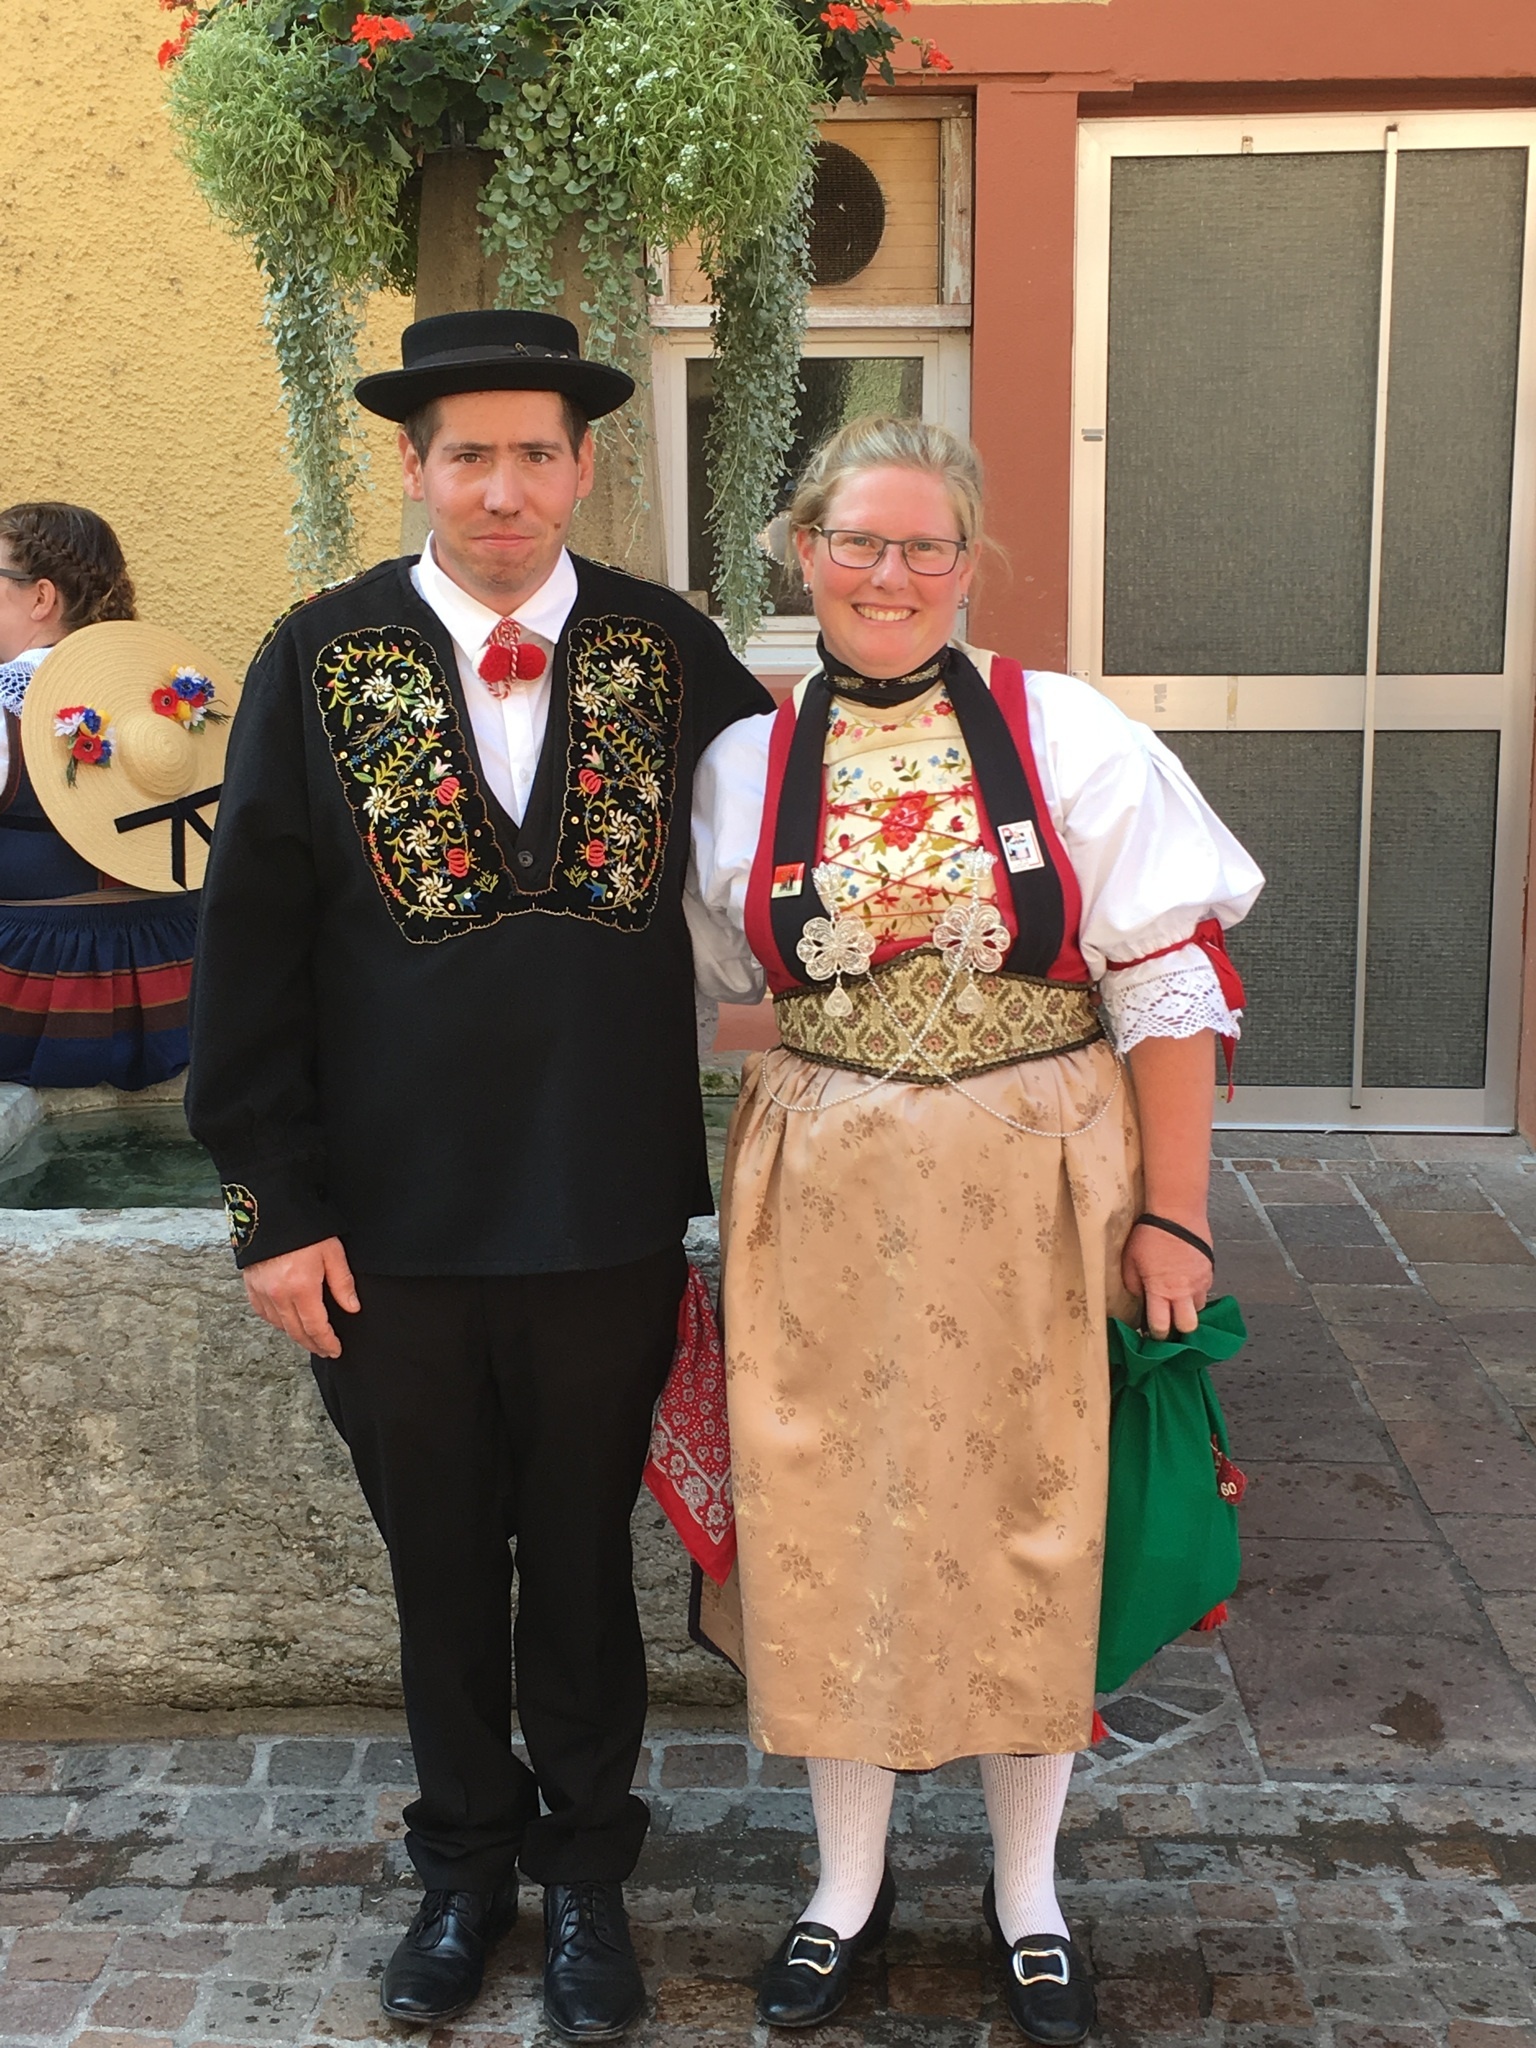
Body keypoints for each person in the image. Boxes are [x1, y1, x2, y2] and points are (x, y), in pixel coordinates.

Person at [186, 310, 773, 2036]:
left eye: (532, 454)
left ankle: (587, 1876)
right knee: (438, 1565)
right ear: (414, 467)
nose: (500, 488)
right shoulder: (316, 653)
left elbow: (792, 858)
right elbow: (250, 947)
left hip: (602, 1208)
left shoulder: (675, 652)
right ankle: (462, 1871)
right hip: (390, 1229)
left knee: (581, 1563)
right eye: (467, 456)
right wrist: (273, 1207)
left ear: (583, 467)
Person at [685, 416, 1263, 2041]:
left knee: (1032, 1517)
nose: (889, 573)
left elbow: (1165, 981)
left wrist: (1175, 1216)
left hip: (1037, 1183)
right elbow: (713, 989)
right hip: (823, 1194)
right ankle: (842, 1885)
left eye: (923, 545)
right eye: (857, 542)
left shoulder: (1064, 728)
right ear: (803, 550)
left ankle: (1029, 1893)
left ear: (967, 559)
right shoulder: (740, 763)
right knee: (828, 1517)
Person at [0, 503, 202, 1088]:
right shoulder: (172, 698)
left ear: (42, 598)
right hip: (177, 987)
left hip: (37, 989)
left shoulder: (6, 709)